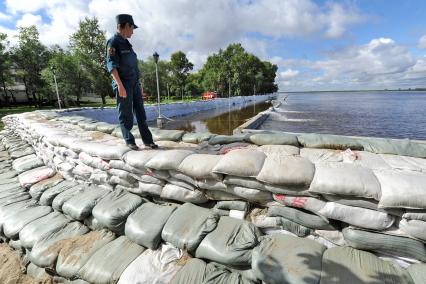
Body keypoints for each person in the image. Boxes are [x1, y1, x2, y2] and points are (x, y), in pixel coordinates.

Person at [105, 14, 158, 150]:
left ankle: (148, 141)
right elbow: (112, 66)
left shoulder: (127, 43)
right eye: (132, 28)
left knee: (141, 113)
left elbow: (133, 66)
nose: (133, 31)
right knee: (126, 114)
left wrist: (139, 85)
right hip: (123, 84)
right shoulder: (113, 42)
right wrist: (119, 85)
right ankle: (129, 141)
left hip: (134, 84)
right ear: (126, 26)